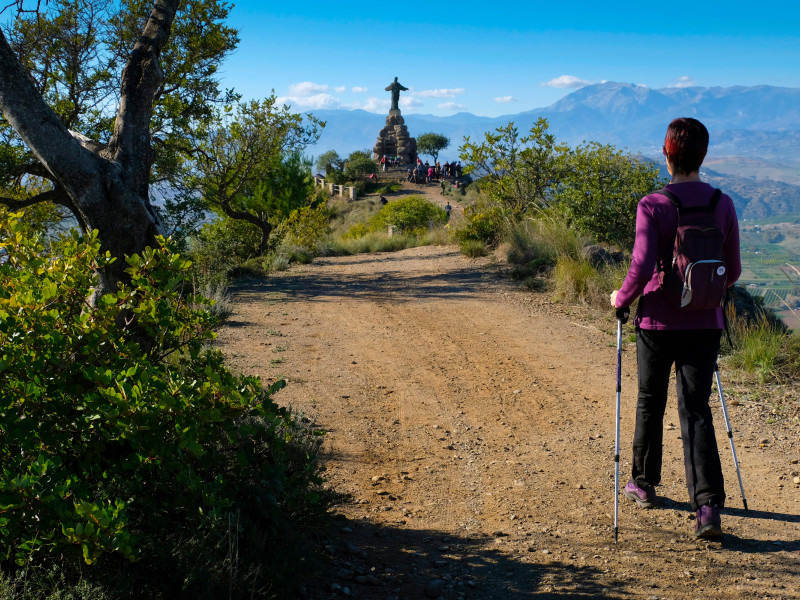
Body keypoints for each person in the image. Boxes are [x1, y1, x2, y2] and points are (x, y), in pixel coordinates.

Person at [610, 117, 741, 540]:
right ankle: (706, 508)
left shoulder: (654, 203)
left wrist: (621, 298)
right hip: (706, 322)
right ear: (703, 156)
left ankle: (643, 485)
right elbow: (733, 271)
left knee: (651, 399)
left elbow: (641, 265)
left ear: (667, 153)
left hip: (657, 322)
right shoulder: (723, 202)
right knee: (696, 409)